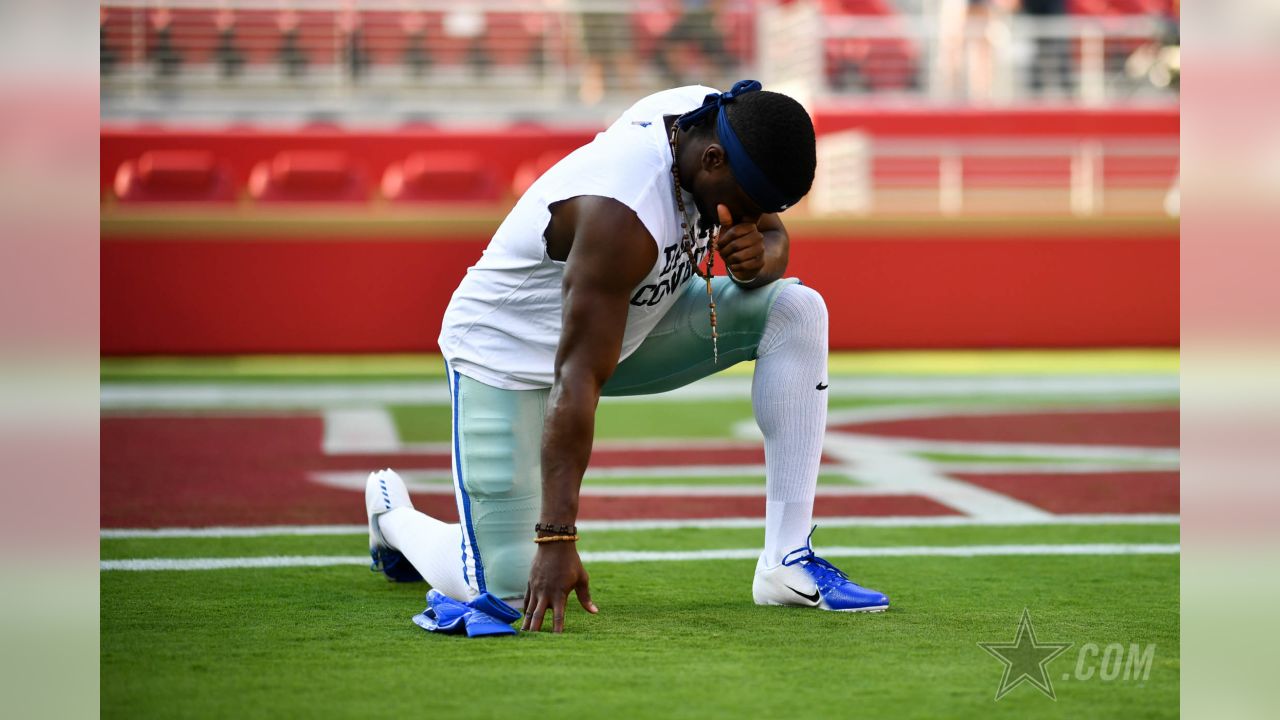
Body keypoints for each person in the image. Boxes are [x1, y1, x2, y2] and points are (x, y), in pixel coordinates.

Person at [365, 81, 890, 637]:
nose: (750, 217)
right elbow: (575, 378)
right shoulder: (624, 211)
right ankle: (392, 518)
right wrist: (557, 537)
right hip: (508, 354)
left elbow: (771, 236)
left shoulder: (717, 121)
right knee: (512, 588)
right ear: (711, 160)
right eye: (747, 204)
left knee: (796, 311)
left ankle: (786, 560)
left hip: (636, 322)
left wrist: (764, 257)